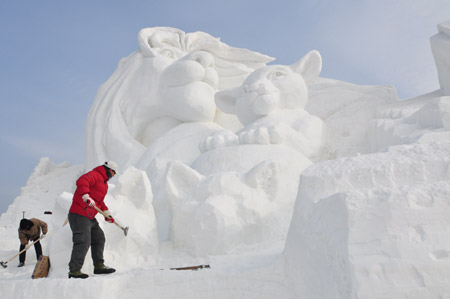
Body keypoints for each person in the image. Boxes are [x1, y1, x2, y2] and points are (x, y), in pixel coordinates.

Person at [67, 161, 119, 279]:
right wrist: (85, 195)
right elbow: (82, 181)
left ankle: (99, 266)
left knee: (99, 238)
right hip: (78, 213)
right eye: (113, 172)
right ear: (108, 169)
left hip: (89, 216)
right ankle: (74, 271)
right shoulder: (95, 174)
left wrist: (106, 213)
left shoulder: (104, 184)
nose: (114, 175)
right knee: (82, 240)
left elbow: (99, 202)